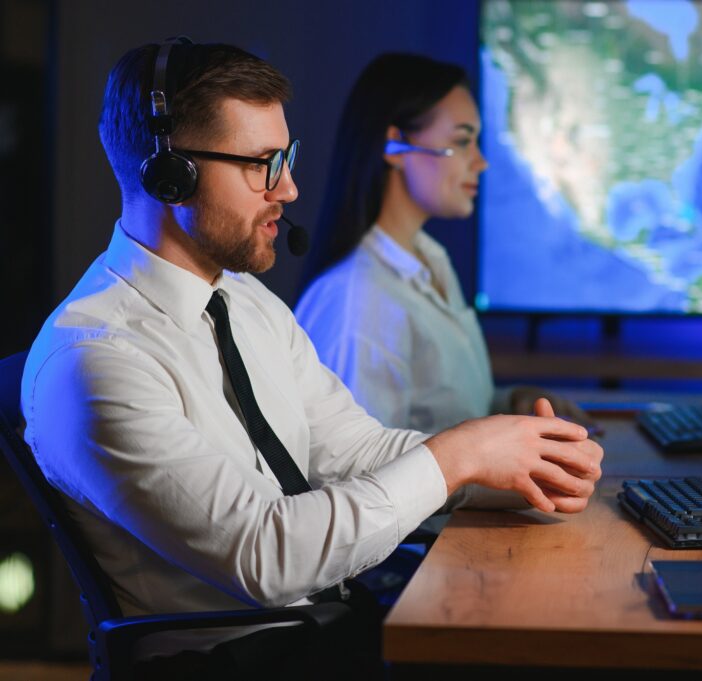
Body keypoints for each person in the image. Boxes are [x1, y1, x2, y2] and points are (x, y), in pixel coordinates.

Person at [20, 39, 602, 677]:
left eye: (287, 158)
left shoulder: (246, 303)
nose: (290, 188)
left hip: (325, 627)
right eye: (263, 164)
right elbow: (267, 557)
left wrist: (509, 469)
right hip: (238, 660)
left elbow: (351, 452)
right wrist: (458, 455)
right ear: (170, 175)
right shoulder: (95, 362)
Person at [295, 53, 595, 433]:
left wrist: (512, 402)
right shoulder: (359, 300)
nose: (480, 162)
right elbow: (359, 473)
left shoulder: (430, 260)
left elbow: (445, 412)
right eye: (462, 141)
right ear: (395, 147)